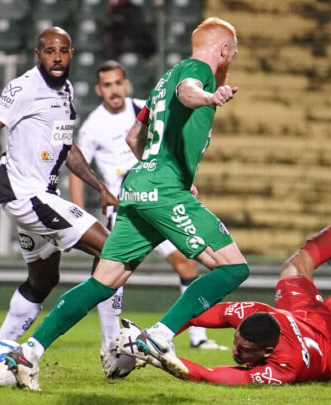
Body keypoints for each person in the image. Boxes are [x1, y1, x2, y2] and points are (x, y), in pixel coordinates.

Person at [7, 19, 331, 391]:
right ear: (223, 50)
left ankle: (29, 352)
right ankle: (159, 335)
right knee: (234, 267)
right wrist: (209, 98)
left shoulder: (160, 81)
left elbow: (133, 137)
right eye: (232, 56)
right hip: (163, 189)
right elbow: (188, 91)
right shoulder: (197, 71)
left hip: (139, 186)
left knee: (104, 281)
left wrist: (168, 174)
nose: (229, 63)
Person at [122, 183, 331, 385]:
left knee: (316, 308)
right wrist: (152, 339)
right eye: (237, 342)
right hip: (306, 320)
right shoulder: (251, 312)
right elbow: (192, 315)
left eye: (247, 350)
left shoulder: (287, 367)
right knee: (296, 269)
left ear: (268, 352)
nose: (236, 352)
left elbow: (209, 375)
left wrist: (161, 360)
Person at [0, 27, 118, 346]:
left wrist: (100, 187)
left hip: (40, 196)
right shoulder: (24, 87)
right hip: (26, 196)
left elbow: (67, 149)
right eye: (49, 51)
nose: (56, 57)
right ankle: (113, 346)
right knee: (113, 251)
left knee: (44, 280)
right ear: (38, 55)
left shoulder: (66, 91)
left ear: (71, 55)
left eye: (62, 50)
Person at [69, 60, 224, 358]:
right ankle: (111, 341)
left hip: (158, 197)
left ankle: (198, 337)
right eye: (107, 85)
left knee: (186, 262)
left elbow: (168, 145)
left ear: (126, 85)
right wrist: (79, 213)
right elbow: (79, 168)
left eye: (118, 83)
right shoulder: (93, 126)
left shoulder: (144, 108)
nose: (114, 90)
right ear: (98, 89)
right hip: (125, 205)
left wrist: (179, 179)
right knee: (114, 275)